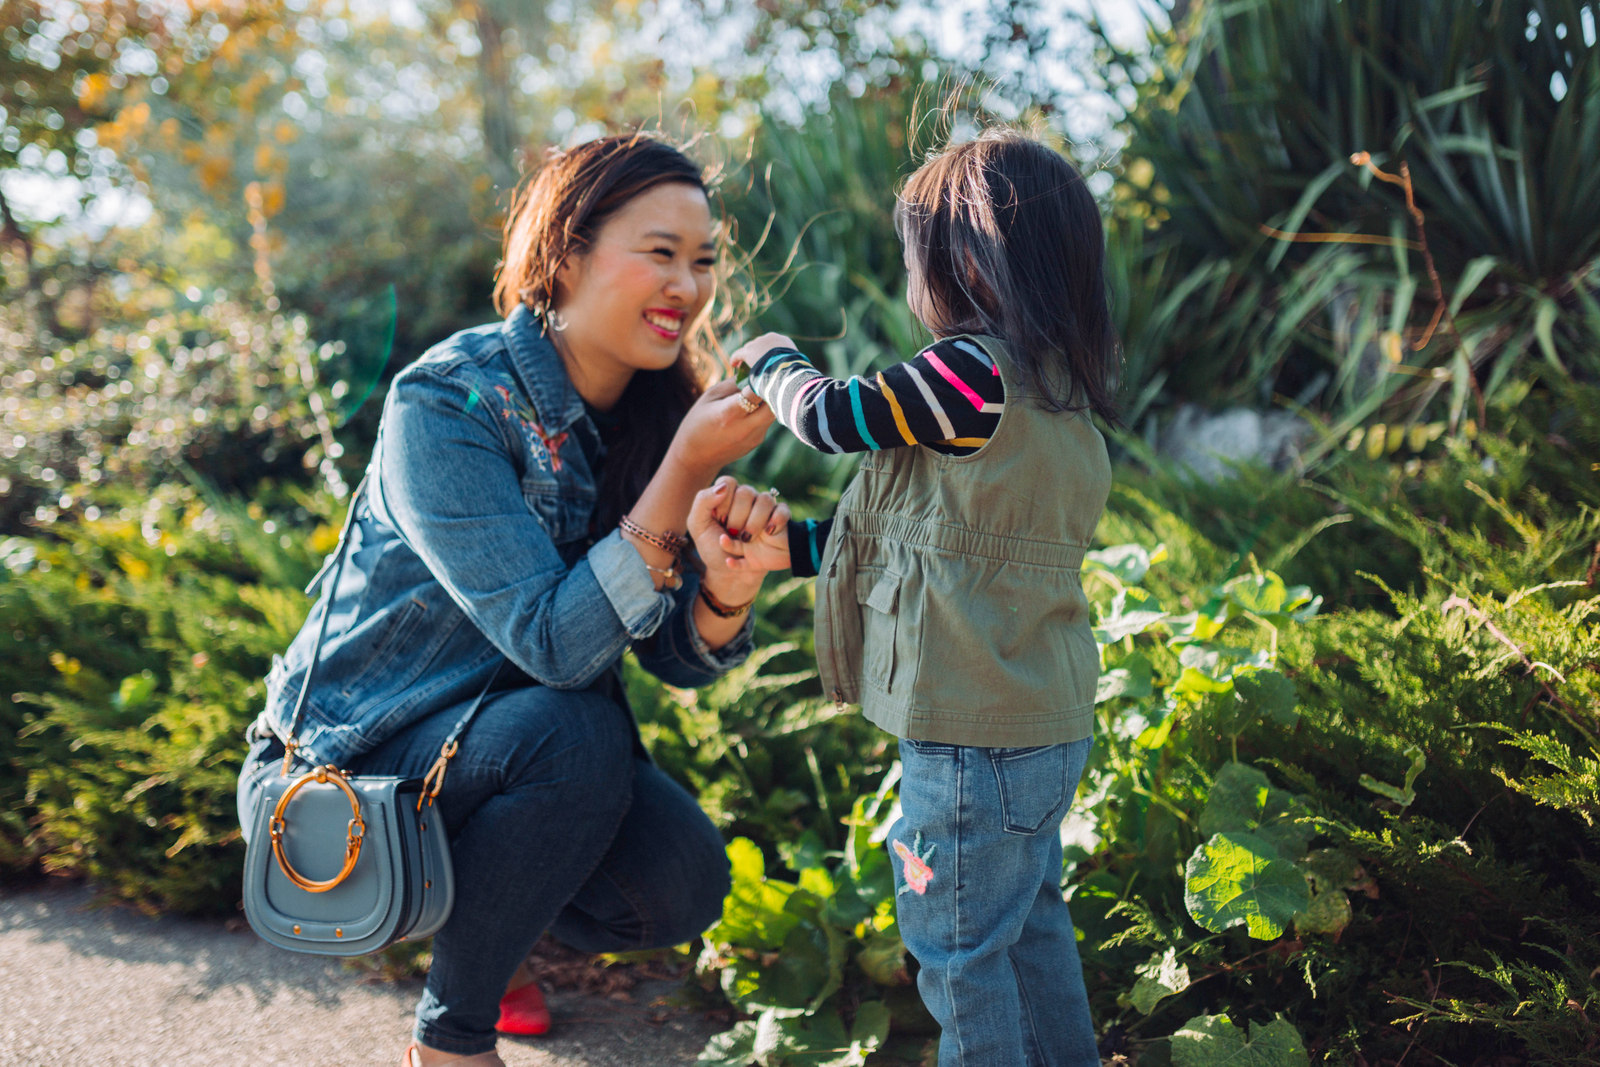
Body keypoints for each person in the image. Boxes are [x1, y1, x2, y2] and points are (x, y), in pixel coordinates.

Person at [237, 133, 789, 1067]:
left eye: (702, 262)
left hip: (497, 754)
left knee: (678, 884)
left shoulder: (658, 413)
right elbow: (555, 646)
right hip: (343, 775)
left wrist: (724, 601)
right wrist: (686, 470)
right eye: (659, 253)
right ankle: (451, 1041)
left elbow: (667, 660)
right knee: (574, 728)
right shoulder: (450, 401)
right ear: (566, 252)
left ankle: (493, 928)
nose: (688, 288)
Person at [715, 128, 1119, 1066]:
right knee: (1023, 934)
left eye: (912, 258)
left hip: (972, 743)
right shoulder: (1057, 394)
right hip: (1037, 726)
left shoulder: (968, 373)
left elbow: (830, 417)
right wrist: (795, 550)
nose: (909, 281)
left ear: (966, 262)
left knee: (955, 952)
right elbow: (940, 544)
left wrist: (775, 362)